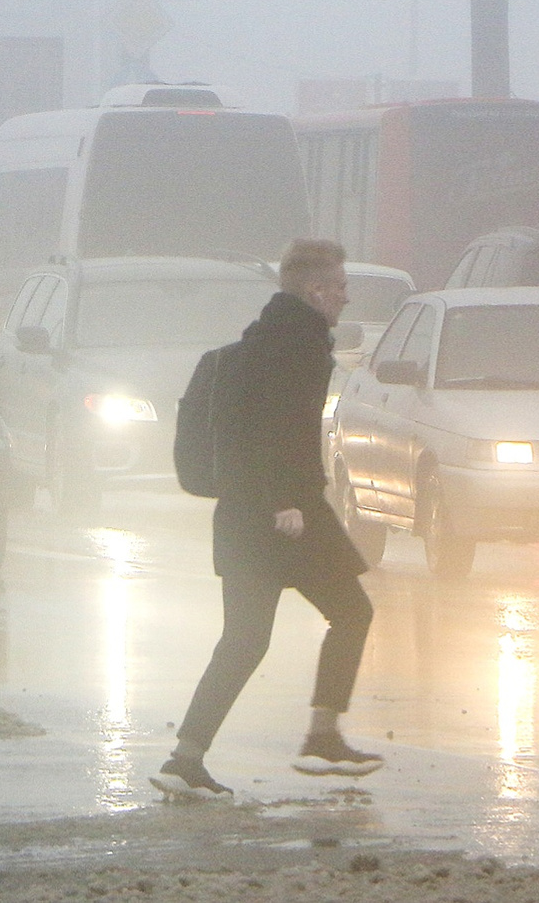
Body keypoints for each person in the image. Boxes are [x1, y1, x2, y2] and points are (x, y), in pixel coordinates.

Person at [153, 237, 380, 800]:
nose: (346, 299)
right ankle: (320, 739)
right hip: (284, 516)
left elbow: (249, 431)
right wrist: (286, 502)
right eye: (343, 287)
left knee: (246, 640)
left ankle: (187, 759)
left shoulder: (262, 343)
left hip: (246, 513)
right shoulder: (296, 349)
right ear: (317, 289)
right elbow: (271, 431)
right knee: (350, 612)